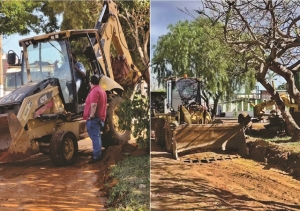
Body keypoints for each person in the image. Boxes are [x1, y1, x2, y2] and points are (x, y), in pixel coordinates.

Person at [83, 74, 107, 164]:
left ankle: (97, 156)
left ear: (90, 82)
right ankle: (98, 153)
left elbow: (93, 105)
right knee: (97, 136)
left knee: (95, 137)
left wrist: (91, 116)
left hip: (95, 118)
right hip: (100, 117)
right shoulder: (102, 91)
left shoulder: (94, 91)